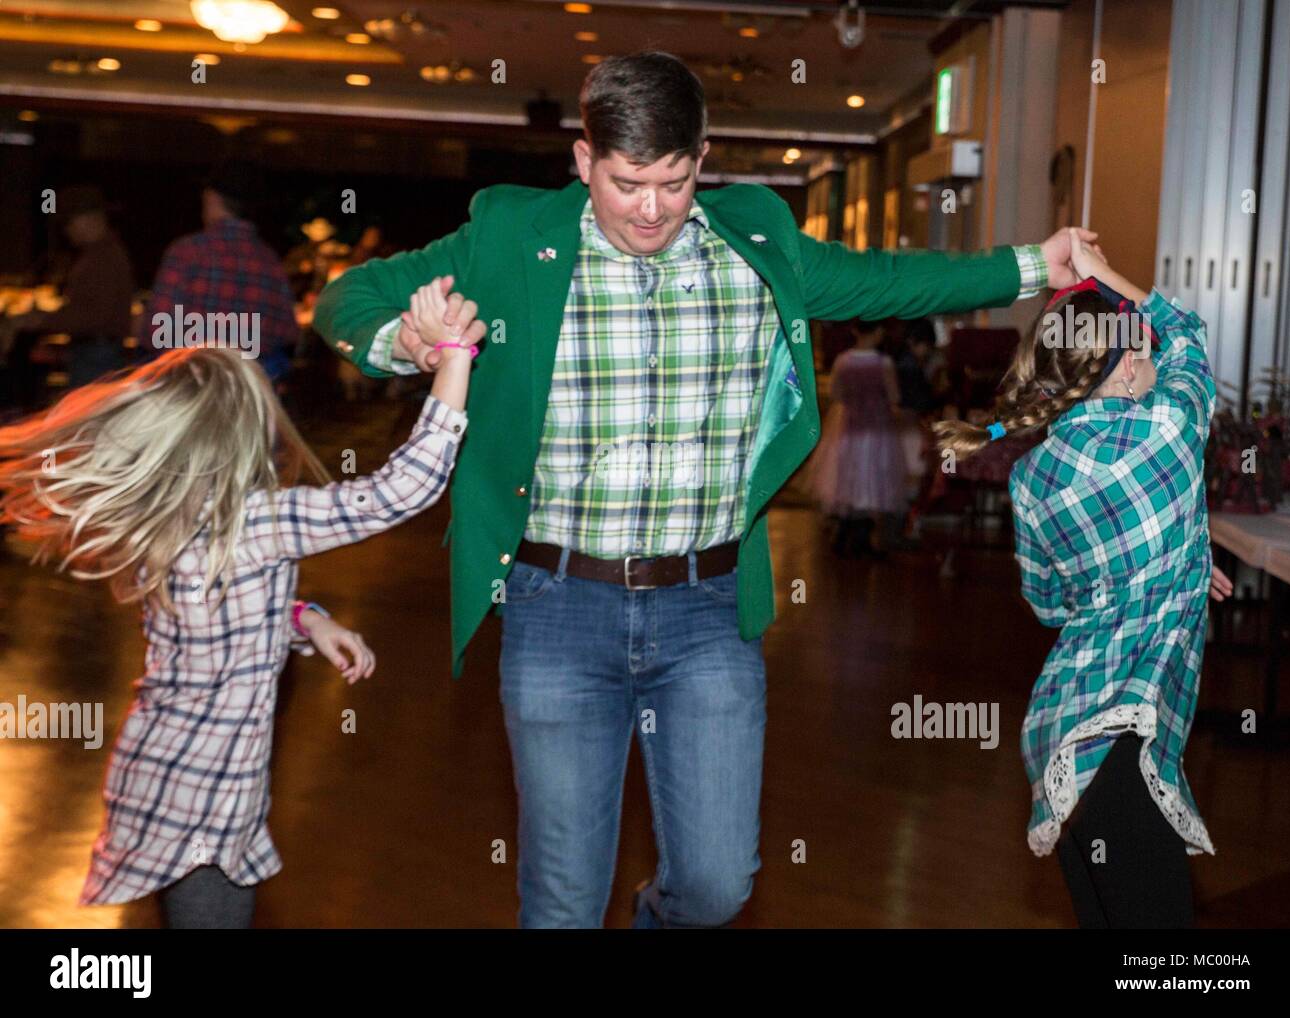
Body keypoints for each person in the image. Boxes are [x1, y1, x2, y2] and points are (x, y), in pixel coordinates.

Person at [313, 50, 1096, 929]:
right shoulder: (507, 235)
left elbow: (886, 278)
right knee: (565, 898)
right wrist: (410, 343)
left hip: (707, 610)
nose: (650, 209)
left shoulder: (753, 237)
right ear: (584, 162)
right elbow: (346, 299)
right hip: (556, 603)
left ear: (704, 160)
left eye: (674, 182)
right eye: (627, 182)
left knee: (719, 885)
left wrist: (1037, 265)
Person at [0, 278, 482, 928]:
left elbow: (220, 620)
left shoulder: (170, 519)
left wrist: (307, 620)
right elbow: (402, 490)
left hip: (163, 778)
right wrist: (455, 360)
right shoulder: (256, 523)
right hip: (205, 804)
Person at [932, 230, 1234, 928]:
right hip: (1124, 750)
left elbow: (1049, 603)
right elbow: (1186, 330)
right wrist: (1104, 269)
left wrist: (1182, 558)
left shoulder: (1032, 476)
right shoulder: (1168, 427)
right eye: (1143, 352)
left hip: (1065, 741)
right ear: (1128, 366)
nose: (1154, 358)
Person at [140, 162, 300, 383]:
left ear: (212, 198)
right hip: (248, 390)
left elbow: (157, 329)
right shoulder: (269, 260)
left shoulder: (187, 251)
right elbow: (288, 332)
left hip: (192, 385)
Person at [5, 184, 134, 393]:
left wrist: (42, 320)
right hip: (95, 352)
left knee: (88, 417)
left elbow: (95, 315)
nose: (67, 230)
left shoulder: (103, 258)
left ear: (89, 218)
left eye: (69, 222)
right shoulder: (100, 254)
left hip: (96, 355)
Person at [809, 319, 907, 559]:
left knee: (846, 476)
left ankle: (844, 534)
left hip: (847, 424)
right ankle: (862, 537)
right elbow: (894, 397)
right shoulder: (883, 362)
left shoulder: (843, 361)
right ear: (879, 331)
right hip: (876, 427)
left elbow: (835, 393)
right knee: (872, 478)